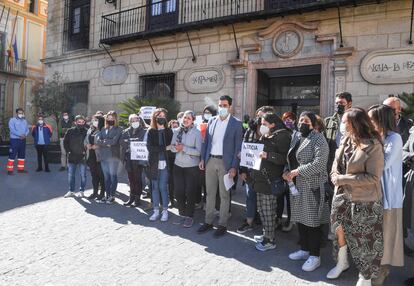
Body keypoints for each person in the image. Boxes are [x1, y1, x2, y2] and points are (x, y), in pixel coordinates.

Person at [328, 107, 384, 285]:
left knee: (363, 239)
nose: (342, 125)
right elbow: (336, 165)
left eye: (345, 122)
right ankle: (342, 262)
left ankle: (365, 276)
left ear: (355, 123)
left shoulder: (374, 144)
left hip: (364, 199)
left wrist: (342, 178)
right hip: (341, 196)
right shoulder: (345, 140)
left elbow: (374, 178)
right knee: (339, 231)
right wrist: (334, 175)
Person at [283, 111, 330, 272]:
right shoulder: (296, 136)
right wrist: (286, 170)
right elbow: (289, 157)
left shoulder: (318, 138)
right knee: (300, 220)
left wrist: (297, 171)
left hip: (311, 186)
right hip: (295, 185)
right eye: (301, 120)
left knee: (312, 222)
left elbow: (320, 163)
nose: (302, 122)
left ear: (313, 123)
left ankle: (315, 256)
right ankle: (304, 249)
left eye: (306, 120)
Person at [368, 104, 404, 285]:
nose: (369, 123)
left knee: (386, 234)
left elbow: (383, 164)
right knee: (374, 234)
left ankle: (383, 270)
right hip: (373, 192)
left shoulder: (394, 138)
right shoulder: (374, 138)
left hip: (388, 195)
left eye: (372, 119)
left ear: (381, 120)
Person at [197, 95, 243, 238]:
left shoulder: (236, 123)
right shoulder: (211, 121)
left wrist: (234, 167)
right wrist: (203, 159)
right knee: (209, 194)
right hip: (210, 161)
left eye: (224, 105)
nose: (222, 107)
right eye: (220, 105)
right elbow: (206, 142)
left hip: (226, 163)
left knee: (224, 195)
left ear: (230, 107)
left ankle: (222, 224)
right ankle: (208, 221)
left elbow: (238, 148)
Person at [249, 113, 291, 251]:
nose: (262, 126)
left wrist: (268, 155)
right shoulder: (267, 135)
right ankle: (266, 234)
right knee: (263, 209)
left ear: (272, 124)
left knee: (268, 211)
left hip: (270, 180)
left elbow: (285, 158)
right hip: (261, 179)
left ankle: (269, 240)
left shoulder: (282, 135)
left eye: (264, 124)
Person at [237, 106, 274, 234]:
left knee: (266, 201)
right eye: (258, 115)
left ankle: (268, 227)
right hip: (251, 171)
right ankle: (249, 222)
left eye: (263, 115)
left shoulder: (275, 133)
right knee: (250, 197)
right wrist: (242, 170)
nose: (260, 118)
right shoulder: (250, 131)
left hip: (267, 173)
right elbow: (244, 149)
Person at [171, 110, 202, 227]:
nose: (186, 120)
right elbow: (173, 147)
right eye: (185, 117)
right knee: (178, 192)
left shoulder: (197, 133)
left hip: (191, 167)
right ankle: (182, 214)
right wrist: (175, 148)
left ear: (193, 120)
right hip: (178, 165)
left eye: (189, 118)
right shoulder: (177, 131)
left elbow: (198, 152)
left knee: (190, 192)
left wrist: (183, 148)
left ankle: (189, 216)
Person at [147, 108, 173, 221]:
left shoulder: (168, 131)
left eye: (163, 115)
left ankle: (165, 210)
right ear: (154, 117)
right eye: (159, 115)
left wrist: (166, 148)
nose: (161, 117)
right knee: (155, 188)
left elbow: (171, 148)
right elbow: (150, 148)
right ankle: (156, 210)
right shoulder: (151, 131)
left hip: (166, 164)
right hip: (154, 163)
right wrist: (164, 148)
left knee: (163, 187)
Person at [120, 114, 147, 207]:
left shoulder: (144, 131)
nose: (135, 122)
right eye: (133, 120)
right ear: (130, 122)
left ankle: (137, 199)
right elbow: (122, 142)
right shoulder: (125, 131)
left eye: (137, 120)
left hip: (138, 159)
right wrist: (129, 144)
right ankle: (131, 198)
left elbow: (143, 143)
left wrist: (131, 142)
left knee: (138, 179)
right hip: (128, 158)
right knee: (131, 179)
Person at [96, 111, 123, 204]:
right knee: (106, 177)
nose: (110, 120)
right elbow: (97, 140)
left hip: (113, 157)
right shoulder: (103, 128)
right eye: (108, 118)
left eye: (112, 118)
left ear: (115, 119)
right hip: (103, 156)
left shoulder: (119, 129)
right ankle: (107, 195)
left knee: (113, 177)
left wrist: (104, 142)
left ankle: (112, 196)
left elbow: (114, 142)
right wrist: (106, 142)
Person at [324, 92, 353, 170]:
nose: (338, 105)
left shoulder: (355, 120)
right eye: (337, 103)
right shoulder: (327, 121)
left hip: (348, 155)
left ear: (349, 104)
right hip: (332, 156)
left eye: (341, 103)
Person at [63, 115, 88, 198]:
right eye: (79, 122)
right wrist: (68, 151)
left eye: (82, 122)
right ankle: (71, 191)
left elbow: (88, 143)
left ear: (84, 122)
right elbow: (65, 142)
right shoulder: (70, 131)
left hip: (82, 157)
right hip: (72, 156)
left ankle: (82, 191)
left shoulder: (87, 132)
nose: (80, 123)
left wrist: (86, 152)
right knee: (71, 175)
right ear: (75, 122)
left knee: (83, 175)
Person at [84, 114, 106, 200]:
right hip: (91, 156)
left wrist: (98, 146)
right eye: (93, 120)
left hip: (100, 157)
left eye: (96, 120)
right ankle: (95, 192)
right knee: (94, 176)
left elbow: (106, 142)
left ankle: (102, 193)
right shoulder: (90, 129)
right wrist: (87, 145)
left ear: (100, 121)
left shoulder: (104, 130)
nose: (94, 122)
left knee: (101, 176)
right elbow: (85, 140)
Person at [6, 108, 29, 175]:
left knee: (22, 155)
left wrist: (25, 135)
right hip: (15, 140)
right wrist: (20, 135)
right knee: (12, 154)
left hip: (23, 140)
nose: (20, 114)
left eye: (21, 113)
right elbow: (12, 130)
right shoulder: (12, 120)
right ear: (16, 113)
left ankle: (20, 169)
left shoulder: (24, 121)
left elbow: (27, 130)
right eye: (19, 113)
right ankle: (9, 170)